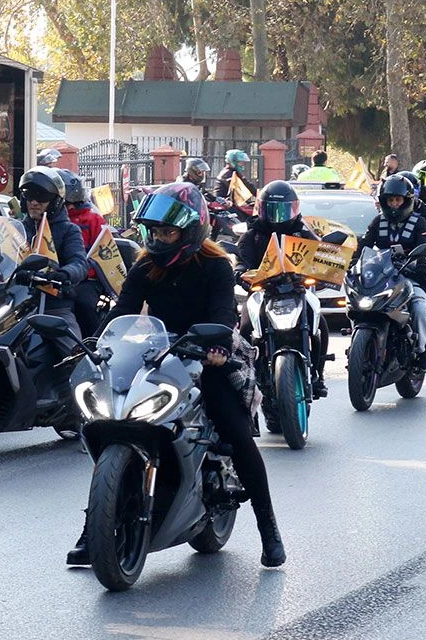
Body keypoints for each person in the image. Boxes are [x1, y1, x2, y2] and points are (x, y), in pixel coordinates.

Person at [66, 181, 287, 568]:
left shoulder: (216, 265)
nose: (160, 239)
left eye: (168, 232)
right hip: (156, 354)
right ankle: (95, 529)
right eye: (154, 232)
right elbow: (123, 311)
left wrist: (216, 346)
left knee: (236, 432)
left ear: (191, 230)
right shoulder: (145, 266)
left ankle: (269, 529)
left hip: (207, 354)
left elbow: (222, 313)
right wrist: (93, 343)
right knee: (110, 418)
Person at [233, 180, 330, 396]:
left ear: (294, 209)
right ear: (262, 208)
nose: (278, 217)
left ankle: (319, 374)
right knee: (245, 327)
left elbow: (320, 256)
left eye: (284, 210)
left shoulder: (302, 232)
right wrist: (241, 274)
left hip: (296, 290)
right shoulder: (252, 235)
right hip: (262, 292)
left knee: (320, 323)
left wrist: (326, 271)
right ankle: (247, 376)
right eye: (273, 210)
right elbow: (241, 261)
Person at [357, 174, 426, 371]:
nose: (394, 204)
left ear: (407, 200)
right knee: (359, 303)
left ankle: (425, 350)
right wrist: (352, 263)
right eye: (390, 200)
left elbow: (424, 247)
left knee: (419, 307)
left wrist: (421, 266)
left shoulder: (419, 222)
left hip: (410, 275)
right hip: (384, 276)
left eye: (398, 200)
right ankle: (358, 343)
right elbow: (364, 245)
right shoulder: (377, 222)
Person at [15, 167, 91, 338]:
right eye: (29, 195)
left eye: (42, 197)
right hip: (16, 304)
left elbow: (80, 262)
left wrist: (64, 274)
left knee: (73, 355)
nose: (34, 202)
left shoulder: (69, 230)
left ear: (55, 201)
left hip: (54, 304)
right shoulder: (14, 229)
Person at [59, 169, 110, 336]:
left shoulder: (93, 219)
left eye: (68, 203)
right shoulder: (45, 221)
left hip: (86, 279)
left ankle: (93, 342)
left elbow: (104, 252)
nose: (67, 207)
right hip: (53, 278)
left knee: (83, 302)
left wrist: (80, 272)